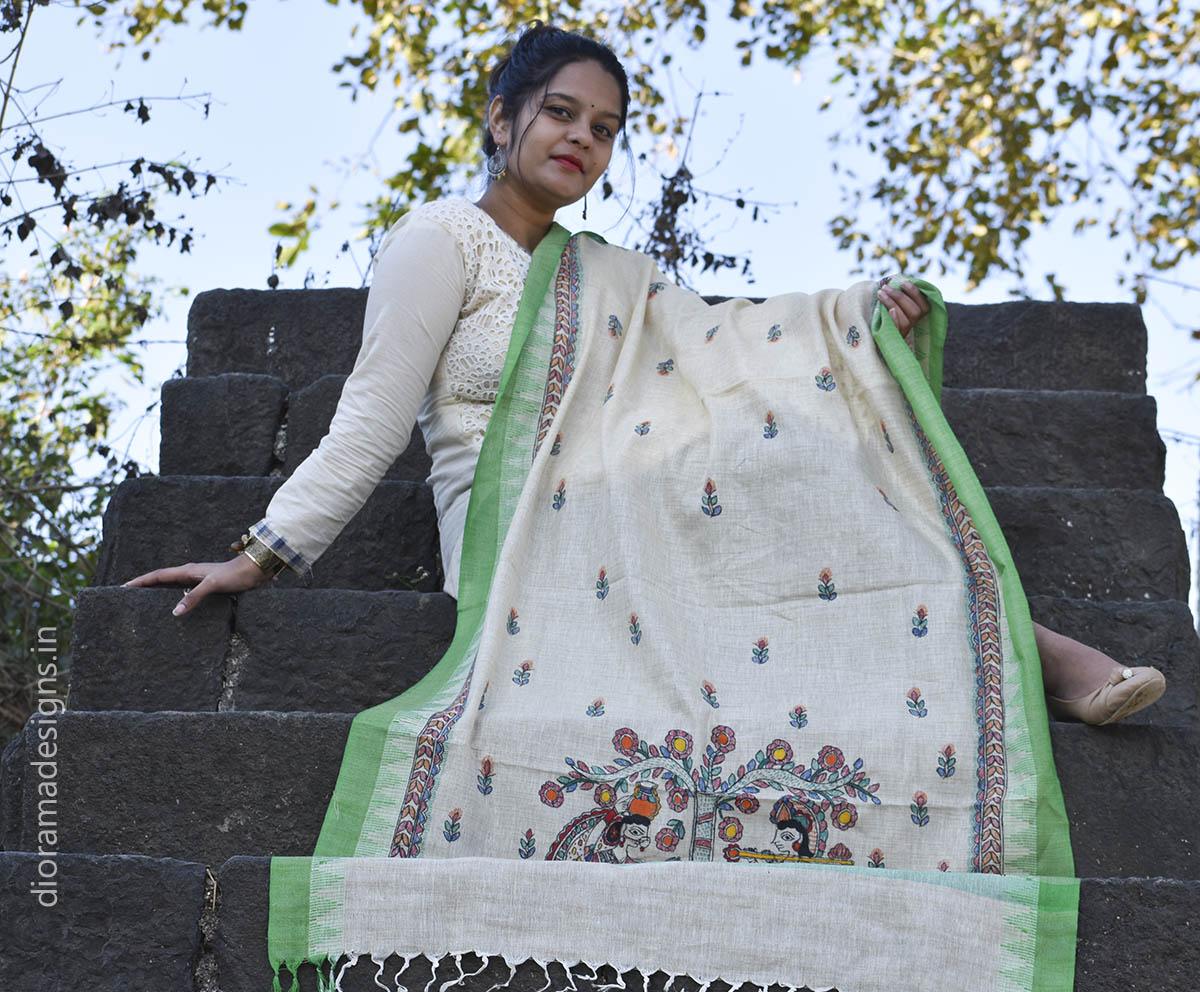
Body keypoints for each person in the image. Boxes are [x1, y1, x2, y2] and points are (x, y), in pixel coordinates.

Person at [120, 22, 1166, 727]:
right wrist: (261, 556)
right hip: (520, 532)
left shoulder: (607, 277)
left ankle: (1020, 648)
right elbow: (370, 416)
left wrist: (855, 321)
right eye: (564, 112)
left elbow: (729, 350)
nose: (584, 137)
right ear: (503, 118)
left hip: (648, 499)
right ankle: (1027, 652)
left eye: (605, 128)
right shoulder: (442, 241)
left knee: (799, 449)